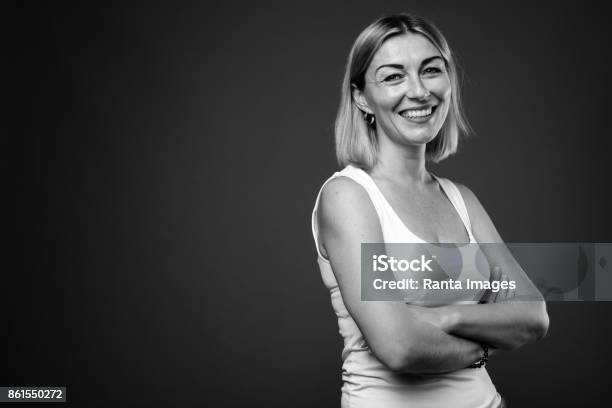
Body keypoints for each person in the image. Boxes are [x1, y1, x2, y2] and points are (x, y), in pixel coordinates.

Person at [311, 13, 549, 408]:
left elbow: (533, 314)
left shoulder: (461, 198)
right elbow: (399, 347)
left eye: (431, 70)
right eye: (393, 76)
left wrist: (444, 319)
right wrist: (486, 342)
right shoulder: (348, 196)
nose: (419, 91)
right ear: (360, 97)